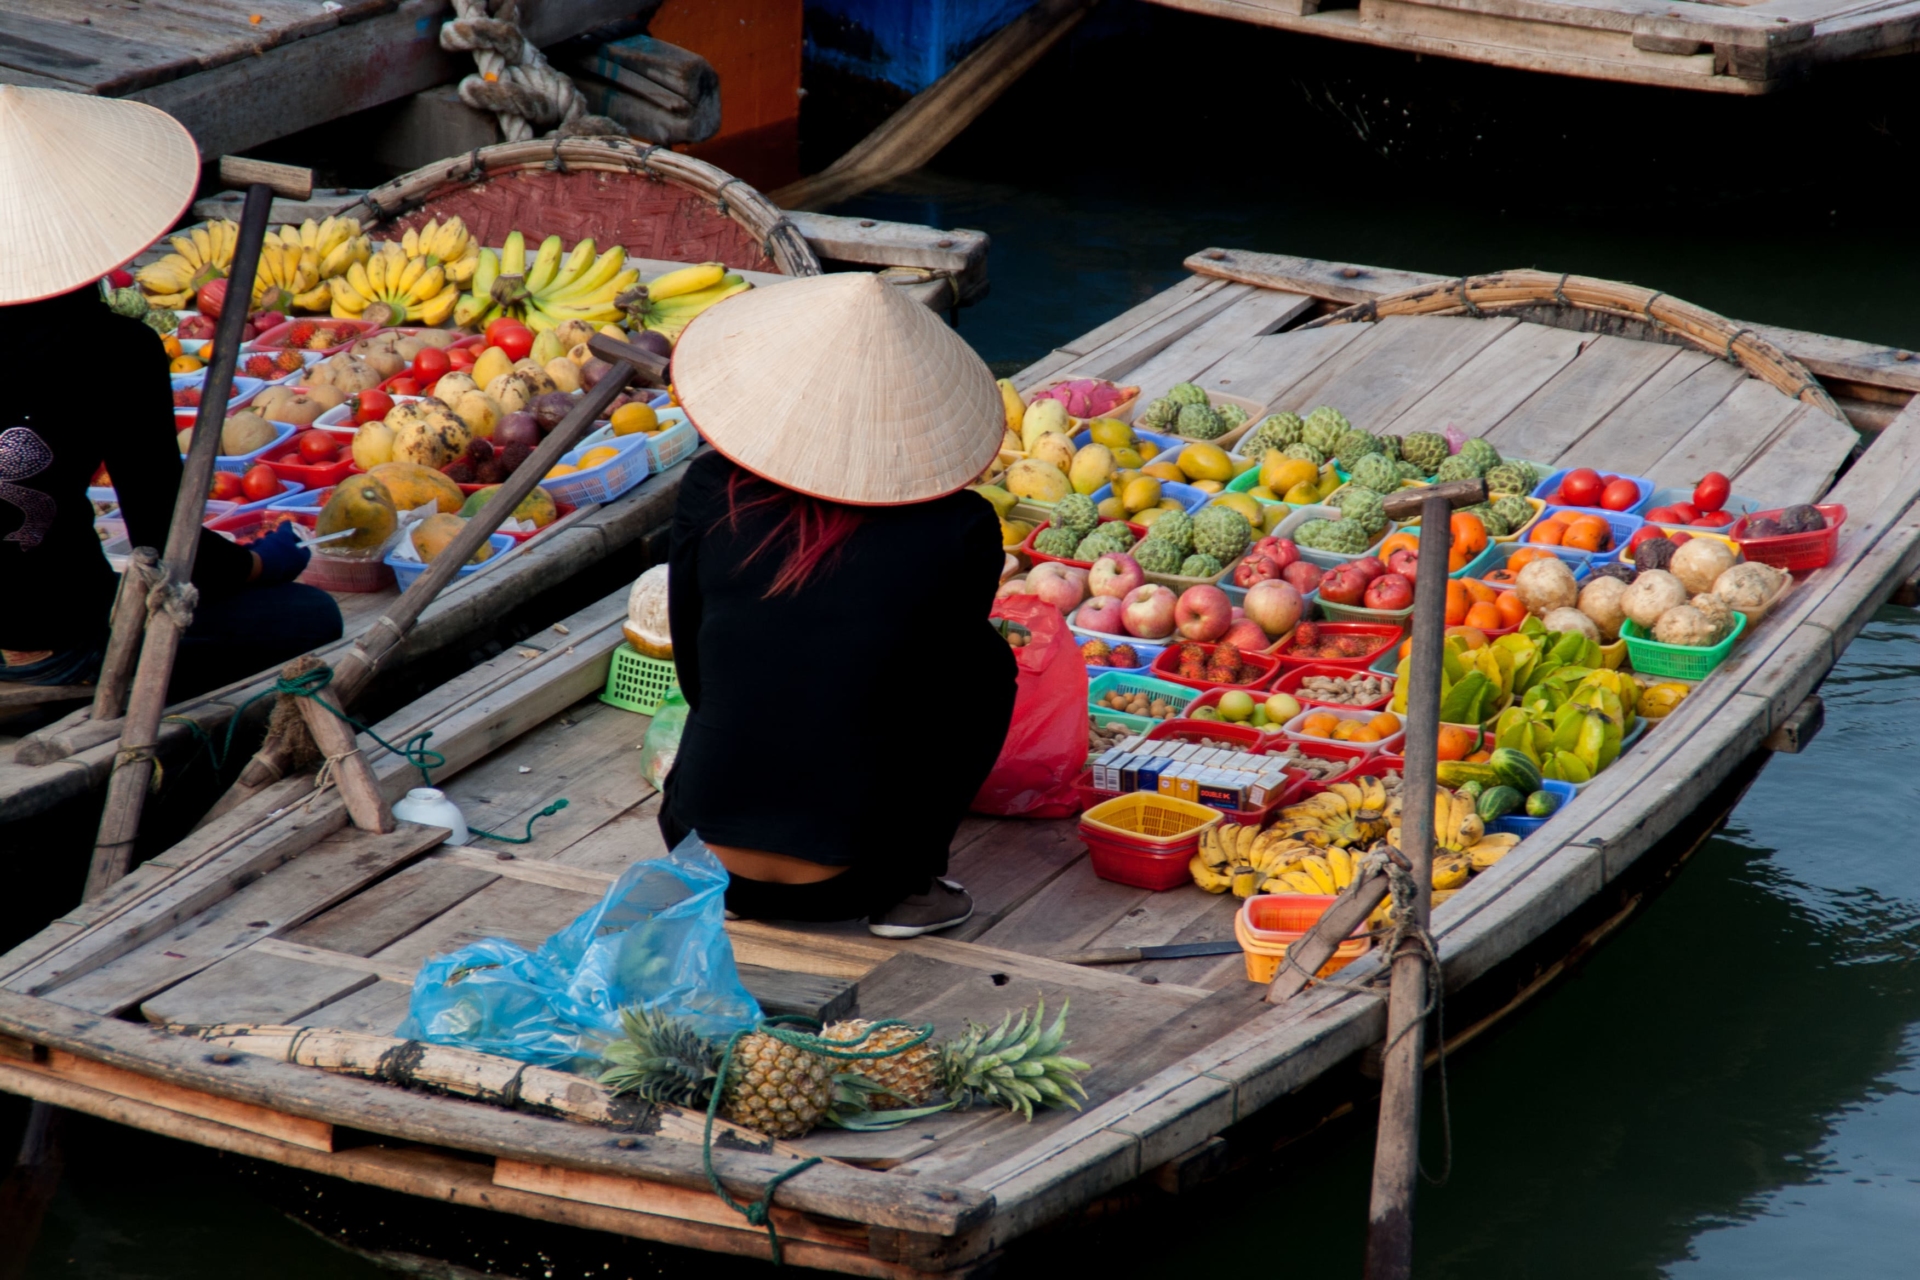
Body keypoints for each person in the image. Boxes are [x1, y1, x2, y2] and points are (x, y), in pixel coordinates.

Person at [657, 272, 1015, 937]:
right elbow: (939, 680)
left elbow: (692, 661)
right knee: (987, 669)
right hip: (859, 875)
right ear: (913, 416)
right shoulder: (960, 525)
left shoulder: (711, 486)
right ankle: (912, 888)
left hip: (700, 850)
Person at [0, 86, 341, 704]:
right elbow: (166, 538)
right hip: (56, 644)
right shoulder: (113, 348)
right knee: (310, 615)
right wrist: (263, 561)